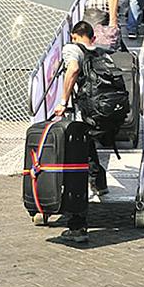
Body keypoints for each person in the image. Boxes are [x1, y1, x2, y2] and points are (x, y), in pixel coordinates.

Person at [51, 21, 107, 244]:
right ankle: (99, 179)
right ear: (92, 37)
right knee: (88, 149)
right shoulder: (102, 52)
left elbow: (73, 69)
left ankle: (78, 227)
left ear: (74, 35)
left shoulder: (72, 49)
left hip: (81, 114)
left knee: (75, 170)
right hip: (100, 113)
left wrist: (63, 101)